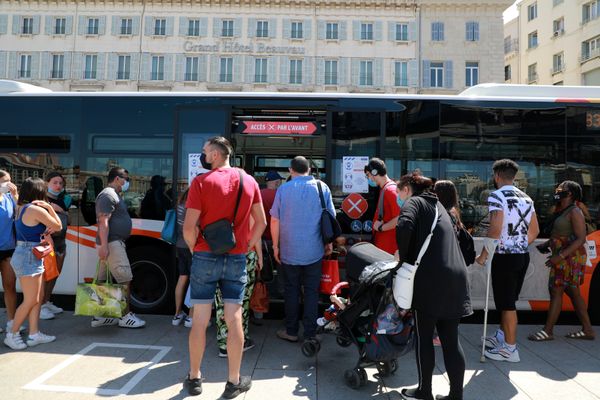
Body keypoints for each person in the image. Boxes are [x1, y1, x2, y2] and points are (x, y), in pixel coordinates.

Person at [183, 137, 266, 398]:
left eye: (206, 152)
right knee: (234, 319)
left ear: (217, 155)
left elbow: (188, 227)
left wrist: (195, 248)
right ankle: (233, 381)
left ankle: (195, 378)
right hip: (237, 257)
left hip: (205, 256)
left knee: (200, 320)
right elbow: (261, 222)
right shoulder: (249, 181)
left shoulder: (201, 182)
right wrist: (247, 245)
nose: (203, 156)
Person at [396, 173, 472, 400]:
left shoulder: (415, 202)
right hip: (457, 278)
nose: (399, 197)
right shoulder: (441, 207)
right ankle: (455, 396)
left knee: (424, 336)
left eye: (400, 192)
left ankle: (424, 392)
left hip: (431, 281)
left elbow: (404, 225)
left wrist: (404, 258)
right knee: (451, 339)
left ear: (407, 188)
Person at [476, 159, 539, 363]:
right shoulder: (527, 198)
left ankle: (510, 350)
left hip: (504, 256)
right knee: (508, 301)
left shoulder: (496, 195)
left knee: (507, 304)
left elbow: (495, 228)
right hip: (521, 255)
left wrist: (483, 255)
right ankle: (502, 338)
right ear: (514, 176)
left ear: (496, 176)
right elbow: (535, 231)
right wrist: (519, 243)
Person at [271, 156, 335, 344]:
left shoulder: (283, 189)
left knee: (291, 290)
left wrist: (276, 246)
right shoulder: (322, 188)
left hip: (289, 251)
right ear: (309, 170)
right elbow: (330, 217)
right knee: (312, 291)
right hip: (314, 251)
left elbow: (275, 220)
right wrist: (329, 243)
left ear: (291, 170)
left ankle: (291, 331)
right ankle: (310, 332)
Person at [528, 181, 595, 341]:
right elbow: (561, 233)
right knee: (573, 292)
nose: (557, 190)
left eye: (561, 189)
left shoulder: (575, 211)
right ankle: (587, 330)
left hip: (569, 257)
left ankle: (548, 331)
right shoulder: (563, 210)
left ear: (570, 193)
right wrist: (548, 244)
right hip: (565, 255)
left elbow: (580, 239)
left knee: (556, 289)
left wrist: (560, 256)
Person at [4, 178, 62, 350]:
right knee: (30, 300)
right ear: (38, 192)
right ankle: (12, 334)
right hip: (29, 254)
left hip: (26, 253)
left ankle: (34, 333)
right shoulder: (35, 209)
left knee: (35, 298)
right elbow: (58, 225)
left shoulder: (20, 208)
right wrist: (49, 207)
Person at [92, 167, 146, 329]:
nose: (127, 182)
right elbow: (103, 222)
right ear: (117, 178)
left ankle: (99, 316)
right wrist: (104, 246)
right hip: (111, 243)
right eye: (126, 179)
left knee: (102, 280)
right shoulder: (108, 195)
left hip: (111, 242)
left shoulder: (113, 195)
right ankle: (125, 316)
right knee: (125, 279)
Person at [214, 217, 262, 357]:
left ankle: (223, 344)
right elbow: (256, 228)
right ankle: (240, 341)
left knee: (220, 299)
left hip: (218, 252)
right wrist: (259, 255)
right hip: (244, 253)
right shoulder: (247, 196)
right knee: (242, 300)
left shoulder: (215, 197)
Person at [40, 171, 71, 320]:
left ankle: (47, 301)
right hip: (48, 244)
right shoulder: (42, 200)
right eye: (55, 183)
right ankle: (40, 306)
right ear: (47, 183)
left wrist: (63, 211)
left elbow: (67, 218)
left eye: (60, 183)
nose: (58, 186)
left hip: (61, 244)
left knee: (54, 275)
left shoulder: (62, 200)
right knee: (46, 276)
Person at [365, 158, 400, 255]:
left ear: (374, 172)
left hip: (388, 249)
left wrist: (381, 228)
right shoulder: (385, 189)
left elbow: (400, 217)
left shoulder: (390, 190)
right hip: (385, 248)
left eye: (368, 175)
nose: (369, 179)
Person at [0, 170, 19, 334]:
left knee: (10, 286)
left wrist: (15, 196)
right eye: (6, 181)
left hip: (8, 248)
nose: (9, 184)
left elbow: (19, 216)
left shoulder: (8, 198)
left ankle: (12, 323)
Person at [172, 188, 192, 328]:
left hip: (180, 244)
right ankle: (191, 316)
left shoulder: (180, 203)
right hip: (191, 245)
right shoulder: (192, 205)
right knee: (195, 280)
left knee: (183, 277)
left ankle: (177, 314)